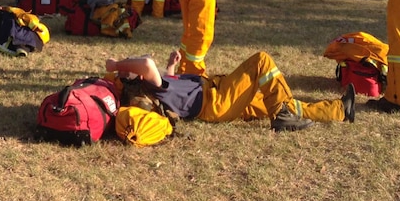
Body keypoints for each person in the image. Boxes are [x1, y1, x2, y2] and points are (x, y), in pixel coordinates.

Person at [106, 50, 355, 132]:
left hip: (220, 99)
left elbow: (163, 77)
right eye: (132, 61)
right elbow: (148, 65)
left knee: (277, 99)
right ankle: (283, 115)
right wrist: (117, 66)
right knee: (262, 61)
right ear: (137, 76)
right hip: (217, 99)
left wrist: (171, 65)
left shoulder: (159, 84)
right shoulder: (151, 84)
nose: (136, 58)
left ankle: (339, 111)